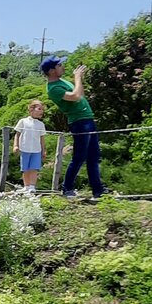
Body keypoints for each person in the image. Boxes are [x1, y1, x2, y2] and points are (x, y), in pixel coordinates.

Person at [42, 57, 105, 199]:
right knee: (79, 157)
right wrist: (77, 77)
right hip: (79, 122)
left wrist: (78, 80)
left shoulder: (62, 82)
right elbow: (76, 96)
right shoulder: (53, 88)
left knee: (93, 157)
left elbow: (80, 93)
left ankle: (98, 190)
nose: (63, 66)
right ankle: (67, 188)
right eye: (60, 65)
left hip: (88, 119)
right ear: (51, 70)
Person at [12, 99, 48, 194]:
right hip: (25, 148)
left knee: (34, 168)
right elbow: (17, 134)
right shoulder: (23, 121)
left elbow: (42, 138)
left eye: (42, 110)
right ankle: (26, 186)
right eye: (39, 109)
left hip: (36, 150)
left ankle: (32, 186)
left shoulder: (41, 124)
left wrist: (43, 150)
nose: (41, 111)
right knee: (25, 168)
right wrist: (15, 145)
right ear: (31, 109)